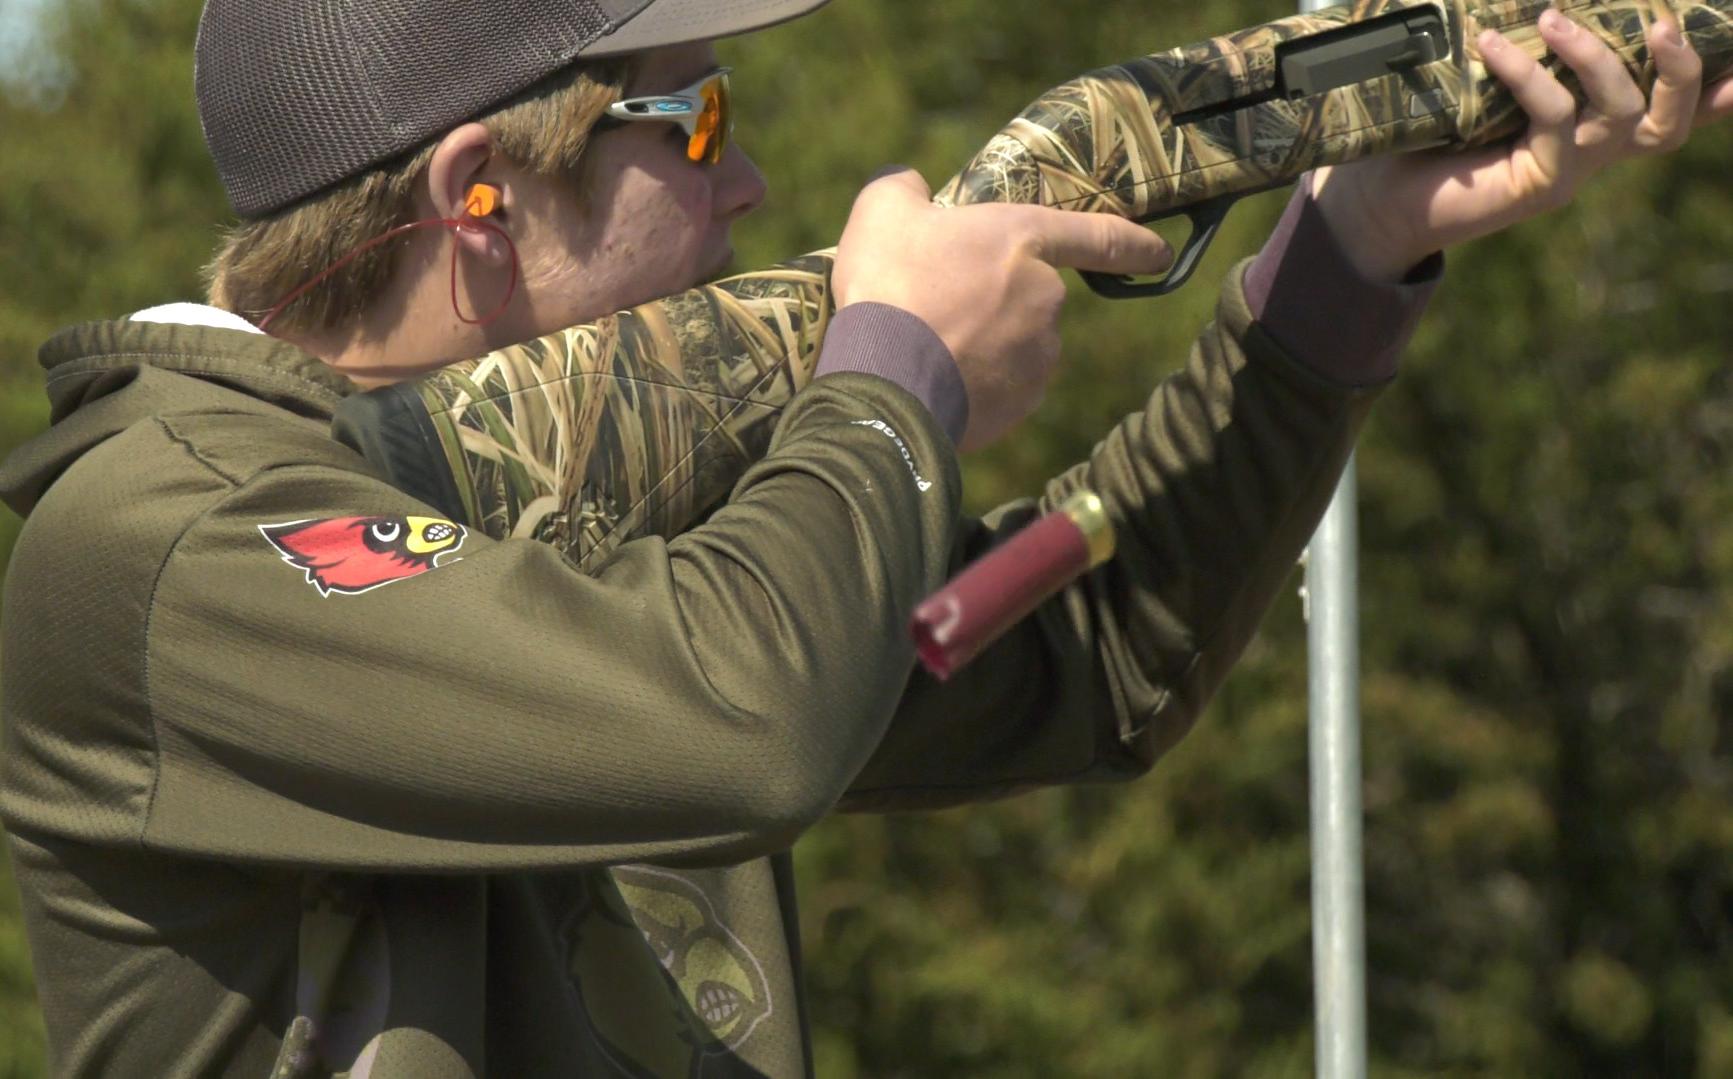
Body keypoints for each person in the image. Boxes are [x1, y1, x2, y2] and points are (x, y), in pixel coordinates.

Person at [0, 0, 1726, 1073]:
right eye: (695, 120)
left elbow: (1075, 654)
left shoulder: (576, 514)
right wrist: (891, 375)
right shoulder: (166, 543)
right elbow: (736, 720)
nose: (747, 185)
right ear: (478, 200)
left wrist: (1342, 260)